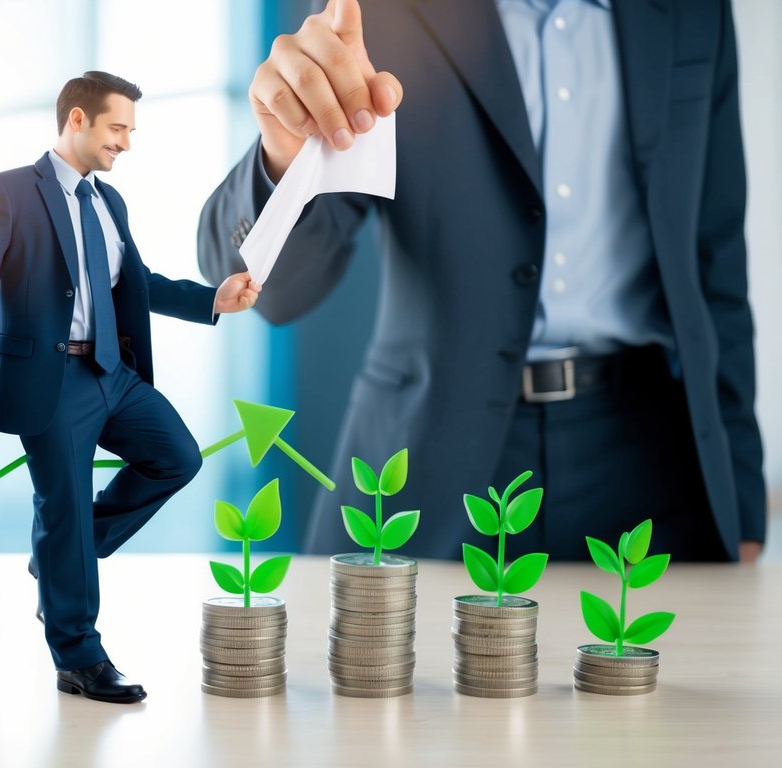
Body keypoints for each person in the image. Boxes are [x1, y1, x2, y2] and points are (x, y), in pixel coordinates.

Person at [199, 0, 765, 562]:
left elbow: (717, 260)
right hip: (427, 457)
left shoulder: (698, 10)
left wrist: (741, 504)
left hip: (651, 456)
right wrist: (288, 155)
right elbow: (267, 292)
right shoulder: (383, 12)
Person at [0, 71, 260, 703]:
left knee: (176, 457)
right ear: (77, 120)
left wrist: (212, 297)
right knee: (64, 510)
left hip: (113, 373)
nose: (126, 142)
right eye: (117, 127)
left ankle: (58, 563)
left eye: (130, 130)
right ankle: (79, 658)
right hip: (49, 382)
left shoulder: (109, 203)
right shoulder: (12, 191)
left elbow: (139, 283)